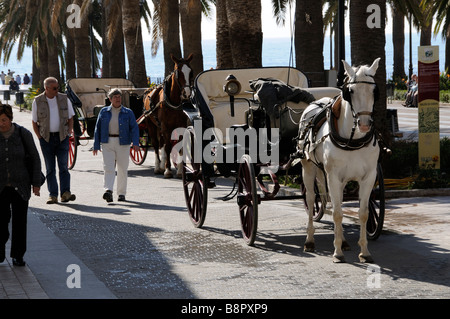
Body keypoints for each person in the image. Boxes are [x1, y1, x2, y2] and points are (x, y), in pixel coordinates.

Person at [0, 104, 42, 266]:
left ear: (10, 118)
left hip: (21, 186)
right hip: (1, 186)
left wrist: (36, 183)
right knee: (1, 222)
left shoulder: (23, 134)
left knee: (19, 222)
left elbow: (35, 158)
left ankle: (18, 255)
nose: (1, 124)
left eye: (4, 120)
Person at [31, 77, 76, 204]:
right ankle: (53, 195)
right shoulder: (38, 101)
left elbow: (71, 117)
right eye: (55, 88)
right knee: (50, 168)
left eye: (58, 87)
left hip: (62, 138)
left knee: (63, 166)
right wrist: (40, 137)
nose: (57, 90)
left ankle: (66, 193)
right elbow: (34, 122)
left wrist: (69, 133)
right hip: (46, 139)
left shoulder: (64, 98)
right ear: (47, 88)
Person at [93, 88, 139, 202]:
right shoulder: (104, 112)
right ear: (110, 99)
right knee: (108, 167)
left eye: (119, 97)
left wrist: (136, 143)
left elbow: (134, 128)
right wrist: (96, 145)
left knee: (122, 169)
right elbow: (97, 128)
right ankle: (108, 190)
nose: (118, 99)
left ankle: (121, 193)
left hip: (123, 143)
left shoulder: (128, 112)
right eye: (115, 97)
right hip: (107, 142)